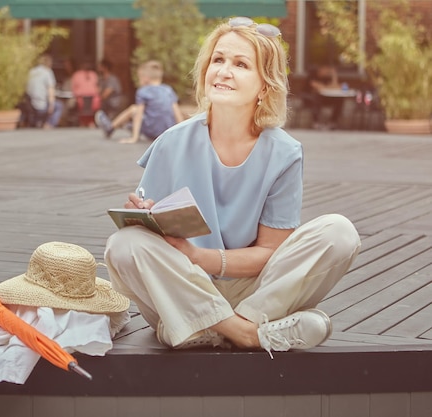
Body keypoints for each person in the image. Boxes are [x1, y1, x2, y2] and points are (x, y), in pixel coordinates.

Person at [103, 18, 361, 357]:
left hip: (253, 292)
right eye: (218, 60)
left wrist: (200, 256)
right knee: (124, 244)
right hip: (184, 286)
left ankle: (210, 328)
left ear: (265, 86)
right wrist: (144, 219)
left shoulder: (284, 153)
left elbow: (269, 254)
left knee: (339, 233)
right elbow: (153, 242)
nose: (224, 71)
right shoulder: (171, 143)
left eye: (240, 64)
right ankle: (249, 335)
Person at [94, 60, 184, 144]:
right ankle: (131, 126)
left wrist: (134, 138)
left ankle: (110, 128)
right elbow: (176, 112)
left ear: (145, 78)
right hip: (166, 132)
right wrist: (183, 134)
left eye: (139, 78)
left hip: (152, 131)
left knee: (134, 109)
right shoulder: (168, 90)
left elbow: (139, 114)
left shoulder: (143, 91)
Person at [26, 54, 63, 129]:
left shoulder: (31, 72)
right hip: (42, 106)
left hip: (31, 105)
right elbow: (51, 90)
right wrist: (51, 105)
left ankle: (37, 122)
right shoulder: (47, 72)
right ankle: (49, 124)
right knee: (59, 106)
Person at [304, 64, 343, 129]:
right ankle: (316, 122)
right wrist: (329, 87)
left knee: (339, 99)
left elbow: (336, 87)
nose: (328, 72)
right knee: (317, 98)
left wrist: (334, 76)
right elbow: (319, 87)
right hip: (310, 99)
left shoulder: (327, 78)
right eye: (326, 70)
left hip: (325, 98)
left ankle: (333, 122)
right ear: (320, 69)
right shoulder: (312, 77)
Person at [70, 59, 101, 126]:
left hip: (81, 102)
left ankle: (82, 122)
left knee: (73, 104)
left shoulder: (76, 75)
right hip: (94, 102)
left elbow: (73, 90)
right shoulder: (94, 75)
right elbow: (97, 88)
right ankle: (91, 123)